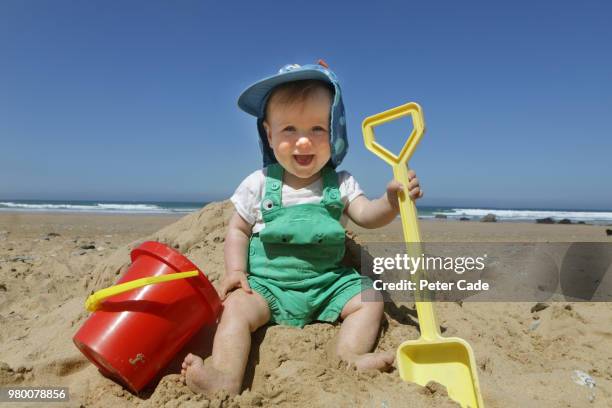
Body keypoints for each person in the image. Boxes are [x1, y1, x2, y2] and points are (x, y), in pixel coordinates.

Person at [182, 61, 423, 395]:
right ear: (269, 133)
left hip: (328, 285)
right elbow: (237, 230)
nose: (304, 142)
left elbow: (367, 215)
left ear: (335, 132)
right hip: (269, 288)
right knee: (235, 309)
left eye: (317, 130)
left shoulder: (340, 183)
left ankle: (351, 353)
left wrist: (391, 202)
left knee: (369, 297)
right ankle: (224, 376)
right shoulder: (260, 183)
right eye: (290, 130)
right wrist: (236, 271)